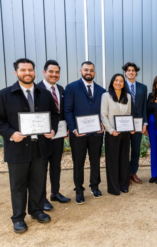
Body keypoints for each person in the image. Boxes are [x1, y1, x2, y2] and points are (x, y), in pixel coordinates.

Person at [0, 58, 59, 233]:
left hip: (41, 146)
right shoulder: (4, 94)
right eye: (23, 70)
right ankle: (18, 218)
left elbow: (55, 116)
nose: (27, 73)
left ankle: (36, 211)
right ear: (16, 73)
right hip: (17, 148)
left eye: (30, 70)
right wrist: (11, 133)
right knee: (18, 184)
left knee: (38, 182)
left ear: (35, 72)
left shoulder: (44, 94)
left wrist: (52, 129)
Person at [64, 61, 106, 205]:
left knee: (95, 161)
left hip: (96, 133)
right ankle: (79, 190)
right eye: (86, 70)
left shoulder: (102, 91)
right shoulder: (71, 88)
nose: (89, 72)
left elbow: (104, 112)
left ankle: (95, 186)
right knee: (78, 162)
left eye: (92, 70)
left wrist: (103, 124)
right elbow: (67, 110)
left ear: (95, 72)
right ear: (81, 70)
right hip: (78, 135)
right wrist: (74, 129)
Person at [37, 60, 71, 211]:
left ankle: (55, 193)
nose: (54, 74)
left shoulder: (61, 89)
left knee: (56, 165)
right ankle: (41, 198)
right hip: (42, 136)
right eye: (51, 72)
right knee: (41, 167)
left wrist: (66, 128)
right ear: (44, 72)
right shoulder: (36, 89)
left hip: (58, 134)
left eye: (57, 72)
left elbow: (61, 112)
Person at [101, 74, 135, 195]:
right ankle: (114, 188)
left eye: (121, 81)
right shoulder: (106, 96)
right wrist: (110, 130)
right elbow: (103, 115)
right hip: (112, 133)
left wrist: (131, 127)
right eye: (116, 80)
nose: (118, 83)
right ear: (112, 82)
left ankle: (124, 185)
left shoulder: (128, 97)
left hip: (125, 132)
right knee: (112, 161)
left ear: (123, 83)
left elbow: (129, 114)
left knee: (124, 159)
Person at [122, 62, 148, 184]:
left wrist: (145, 123)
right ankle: (125, 174)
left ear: (136, 72)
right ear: (125, 72)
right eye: (128, 70)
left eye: (133, 70)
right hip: (124, 124)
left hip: (138, 124)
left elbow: (144, 106)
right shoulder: (120, 86)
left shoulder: (143, 87)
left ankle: (133, 173)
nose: (131, 72)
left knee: (136, 149)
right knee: (125, 149)